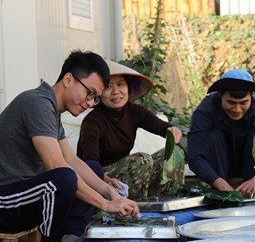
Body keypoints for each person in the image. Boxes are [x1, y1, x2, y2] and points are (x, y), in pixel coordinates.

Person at [0, 50, 139, 242]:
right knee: (62, 179)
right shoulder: (36, 103)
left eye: (95, 98)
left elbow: (72, 160)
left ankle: (68, 238)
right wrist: (104, 204)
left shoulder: (51, 110)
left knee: (92, 168)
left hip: (27, 195)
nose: (90, 103)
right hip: (1, 202)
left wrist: (112, 195)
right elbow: (56, 165)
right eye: (89, 93)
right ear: (69, 79)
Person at [77, 60, 183, 200]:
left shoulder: (134, 111)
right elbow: (89, 165)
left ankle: (164, 201)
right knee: (141, 160)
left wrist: (173, 130)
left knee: (174, 153)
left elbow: (162, 128)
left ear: (128, 87)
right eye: (108, 86)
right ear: (99, 93)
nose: (116, 92)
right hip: (100, 180)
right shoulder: (93, 121)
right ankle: (132, 203)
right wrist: (106, 182)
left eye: (120, 84)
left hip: (127, 175)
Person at [187, 69, 255, 196]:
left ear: (251, 97)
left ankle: (250, 192)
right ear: (220, 96)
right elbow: (195, 157)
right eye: (231, 102)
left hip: (249, 167)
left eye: (243, 103)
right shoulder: (205, 111)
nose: (237, 109)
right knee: (214, 136)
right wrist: (219, 183)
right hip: (217, 168)